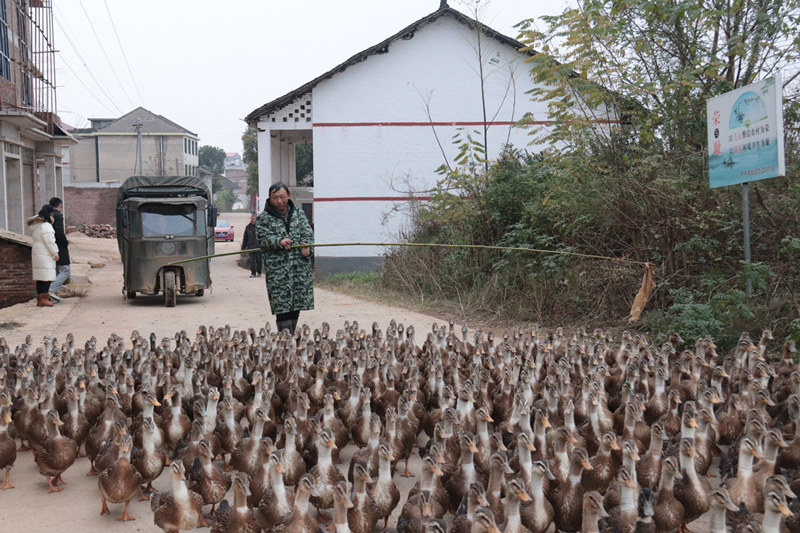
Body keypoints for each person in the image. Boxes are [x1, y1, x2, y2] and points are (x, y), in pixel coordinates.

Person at [255, 182, 314, 334]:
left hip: (298, 269)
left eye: (282, 197)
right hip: (279, 271)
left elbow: (308, 234)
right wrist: (278, 242)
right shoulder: (264, 218)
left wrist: (307, 248)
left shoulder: (298, 214)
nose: (280, 201)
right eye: (275, 198)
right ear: (270, 198)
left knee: (296, 306)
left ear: (288, 195)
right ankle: (284, 340)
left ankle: (291, 337)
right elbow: (263, 239)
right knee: (282, 307)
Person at [27, 204, 59, 308]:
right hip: (45, 253)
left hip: (38, 252)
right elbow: (50, 242)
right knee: (46, 277)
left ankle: (40, 299)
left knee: (40, 277)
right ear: (50, 214)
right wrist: (55, 253)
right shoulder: (46, 226)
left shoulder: (37, 226)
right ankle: (45, 299)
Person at [48, 197, 70, 303]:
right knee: (66, 269)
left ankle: (52, 297)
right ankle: (51, 290)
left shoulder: (49, 216)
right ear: (60, 205)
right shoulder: (58, 216)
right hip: (59, 247)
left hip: (50, 247)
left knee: (56, 270)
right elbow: (60, 233)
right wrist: (65, 242)